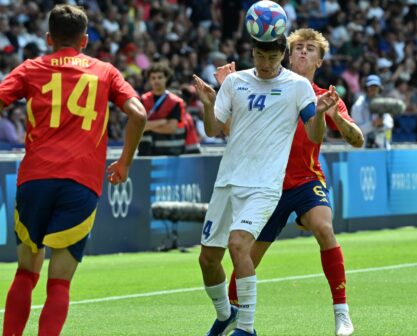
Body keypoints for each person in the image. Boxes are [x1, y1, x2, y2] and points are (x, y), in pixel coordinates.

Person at [0, 5, 146, 336]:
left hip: (34, 179)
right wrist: (124, 162)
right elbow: (138, 114)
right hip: (80, 183)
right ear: (84, 41)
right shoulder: (105, 71)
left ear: (49, 38)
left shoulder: (30, 68)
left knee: (26, 271)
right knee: (60, 281)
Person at [219, 28, 364, 336]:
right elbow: (233, 131)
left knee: (324, 228)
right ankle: (232, 315)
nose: (302, 52)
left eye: (310, 49)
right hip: (267, 185)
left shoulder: (325, 96)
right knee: (245, 256)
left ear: (320, 61)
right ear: (287, 53)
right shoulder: (266, 86)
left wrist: (333, 115)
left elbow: (358, 140)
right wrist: (225, 92)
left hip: (306, 181)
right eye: (298, 47)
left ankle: (342, 314)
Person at [193, 34, 338, 336]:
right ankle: (225, 315)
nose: (267, 64)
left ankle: (246, 328)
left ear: (282, 55)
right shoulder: (235, 82)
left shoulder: (297, 87)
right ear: (253, 52)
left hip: (264, 186)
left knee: (237, 245)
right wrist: (208, 104)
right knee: (207, 259)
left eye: (273, 58)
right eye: (261, 56)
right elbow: (211, 128)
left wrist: (321, 114)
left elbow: (314, 134)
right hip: (228, 182)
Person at [138, 63, 186, 156]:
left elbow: (171, 128)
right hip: (146, 152)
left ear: (166, 78)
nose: (156, 80)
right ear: (149, 80)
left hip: (170, 153)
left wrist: (148, 126)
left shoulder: (175, 102)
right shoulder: (143, 100)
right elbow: (139, 127)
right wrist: (162, 122)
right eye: (153, 78)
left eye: (160, 77)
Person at [351, 74, 393, 149]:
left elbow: (390, 125)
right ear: (366, 88)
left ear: (379, 89)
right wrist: (372, 124)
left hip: (381, 147)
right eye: (371, 87)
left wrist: (382, 124)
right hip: (363, 148)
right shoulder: (358, 105)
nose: (373, 90)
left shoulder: (383, 103)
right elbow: (355, 131)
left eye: (375, 87)